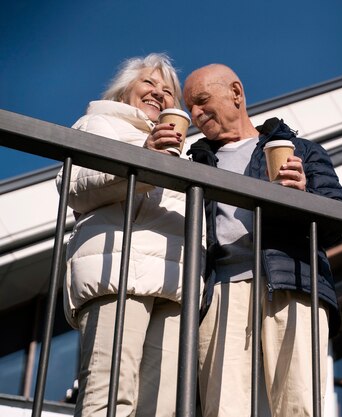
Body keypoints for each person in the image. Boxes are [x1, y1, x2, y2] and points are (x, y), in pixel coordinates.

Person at [184, 64, 342, 417]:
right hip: (220, 292)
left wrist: (303, 195)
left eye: (200, 101)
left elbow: (338, 223)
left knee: (297, 403)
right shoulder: (194, 165)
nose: (194, 115)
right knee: (222, 408)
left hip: (292, 280)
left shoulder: (300, 149)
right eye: (189, 109)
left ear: (236, 93)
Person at [56, 53, 203, 417]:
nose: (159, 94)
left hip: (175, 286)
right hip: (116, 272)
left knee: (162, 407)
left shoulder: (182, 152)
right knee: (109, 395)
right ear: (125, 91)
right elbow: (76, 186)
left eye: (168, 91)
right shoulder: (99, 123)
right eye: (149, 83)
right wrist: (144, 158)